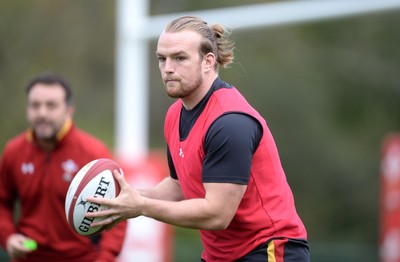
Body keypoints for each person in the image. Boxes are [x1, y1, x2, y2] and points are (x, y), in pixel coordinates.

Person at [86, 15, 310, 261]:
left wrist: (141, 206)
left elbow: (217, 215)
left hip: (268, 249)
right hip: (220, 254)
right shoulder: (175, 114)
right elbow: (179, 185)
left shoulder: (230, 122)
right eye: (162, 59)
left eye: (179, 58)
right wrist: (124, 201)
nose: (168, 68)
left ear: (208, 61)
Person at [0, 72, 127, 262]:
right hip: (28, 255)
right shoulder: (14, 151)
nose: (42, 113)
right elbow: (3, 203)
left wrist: (105, 258)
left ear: (69, 110)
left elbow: (119, 213)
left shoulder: (93, 153)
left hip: (81, 257)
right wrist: (8, 236)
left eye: (51, 105)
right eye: (35, 105)